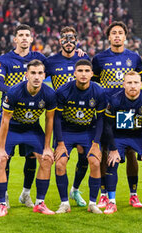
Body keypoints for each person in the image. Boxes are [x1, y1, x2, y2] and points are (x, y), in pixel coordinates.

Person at [92, 21, 142, 208]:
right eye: (113, 33)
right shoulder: (99, 59)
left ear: (125, 36)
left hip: (128, 112)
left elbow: (141, 79)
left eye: (120, 33)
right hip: (107, 112)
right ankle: (104, 194)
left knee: (130, 152)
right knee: (106, 151)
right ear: (108, 37)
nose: (117, 35)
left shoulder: (134, 58)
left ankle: (133, 194)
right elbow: (94, 80)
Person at [0, 59, 56, 217]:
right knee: (0, 160)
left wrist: (47, 146)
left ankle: (39, 203)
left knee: (47, 159)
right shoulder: (14, 92)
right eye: (33, 73)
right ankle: (1, 204)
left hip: (31, 128)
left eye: (40, 73)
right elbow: (5, 120)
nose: (36, 76)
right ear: (26, 75)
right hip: (11, 128)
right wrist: (0, 149)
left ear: (44, 76)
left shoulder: (49, 94)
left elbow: (49, 120)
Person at [0, 24, 46, 209]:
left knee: (32, 157)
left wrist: (78, 53)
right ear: (15, 39)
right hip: (10, 115)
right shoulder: (5, 59)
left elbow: (58, 64)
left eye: (27, 35)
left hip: (31, 119)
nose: (24, 38)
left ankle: (26, 194)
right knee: (3, 157)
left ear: (32, 39)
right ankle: (4, 195)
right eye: (20, 35)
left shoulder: (39, 58)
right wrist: (17, 93)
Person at [44, 26, 91, 207]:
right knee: (61, 158)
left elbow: (92, 82)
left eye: (72, 39)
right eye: (65, 39)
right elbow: (39, 77)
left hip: (84, 115)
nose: (69, 42)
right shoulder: (51, 61)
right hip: (61, 118)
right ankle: (64, 201)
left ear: (77, 40)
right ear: (60, 41)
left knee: (84, 157)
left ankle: (75, 189)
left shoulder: (83, 58)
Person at [53, 59, 106, 214]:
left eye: (86, 71)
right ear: (74, 73)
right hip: (66, 131)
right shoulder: (63, 91)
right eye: (80, 71)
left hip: (88, 131)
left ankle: (92, 203)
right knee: (60, 164)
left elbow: (101, 119)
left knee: (95, 163)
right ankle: (64, 203)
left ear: (92, 74)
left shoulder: (99, 91)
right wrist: (60, 143)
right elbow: (56, 118)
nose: (83, 74)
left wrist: (96, 143)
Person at [103, 71, 142, 214]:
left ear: (141, 84)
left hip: (140, 135)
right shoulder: (115, 100)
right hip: (120, 135)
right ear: (123, 84)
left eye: (135, 83)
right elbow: (108, 126)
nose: (132, 86)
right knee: (112, 161)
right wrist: (114, 149)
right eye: (129, 83)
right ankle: (111, 202)